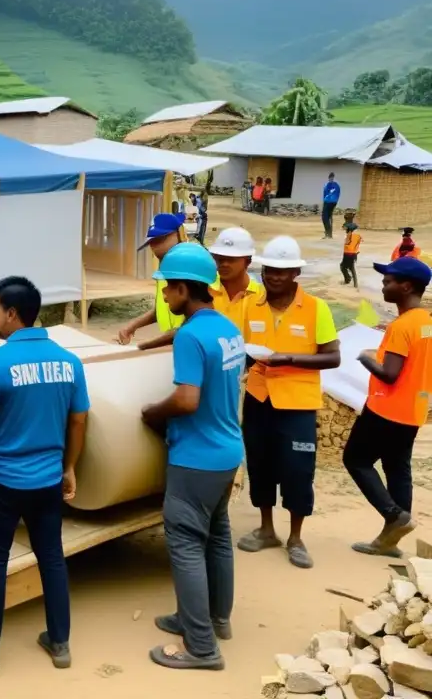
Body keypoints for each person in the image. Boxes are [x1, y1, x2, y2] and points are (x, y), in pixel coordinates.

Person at [0, 276, 90, 677]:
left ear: (12, 314)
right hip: (48, 478)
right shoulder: (69, 361)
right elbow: (79, 420)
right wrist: (69, 467)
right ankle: (59, 642)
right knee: (51, 556)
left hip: (3, 479)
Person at [141, 244, 244, 671]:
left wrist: (152, 413)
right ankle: (214, 619)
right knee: (217, 537)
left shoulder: (189, 336)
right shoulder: (226, 329)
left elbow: (186, 398)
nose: (164, 296)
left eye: (168, 289)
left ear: (185, 289)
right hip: (227, 451)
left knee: (184, 545)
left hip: (195, 458)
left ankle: (200, 647)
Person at [236, 236, 341, 569]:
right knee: (260, 464)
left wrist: (290, 359)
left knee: (297, 471)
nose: (274, 277)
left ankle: (296, 537)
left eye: (282, 271)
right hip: (259, 397)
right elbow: (242, 350)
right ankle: (267, 529)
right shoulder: (249, 306)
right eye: (269, 270)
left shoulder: (315, 309)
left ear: (296, 272)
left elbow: (333, 357)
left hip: (297, 403)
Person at [344, 256, 432, 558]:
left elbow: (390, 374)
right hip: (413, 410)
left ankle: (394, 515)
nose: (384, 285)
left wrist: (366, 358)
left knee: (356, 459)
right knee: (397, 468)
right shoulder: (426, 323)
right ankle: (389, 540)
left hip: (386, 409)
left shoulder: (402, 326)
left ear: (406, 286)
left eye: (388, 281)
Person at [117, 213, 188, 349]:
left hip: (188, 342)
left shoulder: (190, 269)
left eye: (160, 240)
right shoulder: (164, 271)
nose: (154, 247)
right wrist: (133, 326)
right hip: (174, 345)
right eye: (151, 242)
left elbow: (193, 321)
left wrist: (146, 346)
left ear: (178, 234)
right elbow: (160, 309)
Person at [208, 227, 262, 328]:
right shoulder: (204, 292)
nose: (224, 264)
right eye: (220, 259)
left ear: (248, 261)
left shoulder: (261, 297)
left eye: (231, 259)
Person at [341, 222, 362, 288]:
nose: (345, 230)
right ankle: (354, 283)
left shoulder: (349, 235)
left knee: (345, 267)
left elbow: (347, 244)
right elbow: (358, 243)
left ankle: (349, 280)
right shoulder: (358, 236)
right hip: (354, 254)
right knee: (350, 267)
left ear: (349, 229)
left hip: (348, 254)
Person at [322, 172, 340, 239]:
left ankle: (328, 233)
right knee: (329, 217)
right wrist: (335, 202)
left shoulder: (327, 185)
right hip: (333, 203)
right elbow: (338, 194)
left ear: (329, 177)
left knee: (324, 217)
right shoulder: (337, 185)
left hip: (328, 202)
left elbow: (325, 194)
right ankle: (329, 234)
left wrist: (325, 201)